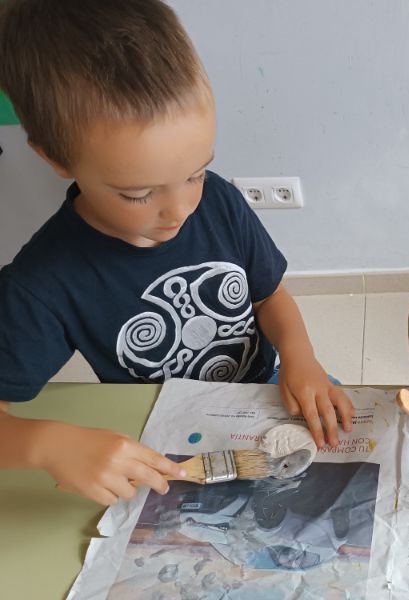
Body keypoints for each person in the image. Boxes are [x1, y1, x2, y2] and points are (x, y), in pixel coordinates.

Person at [0, 0, 352, 506]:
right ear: (53, 157)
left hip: (269, 385)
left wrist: (300, 354)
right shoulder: (42, 284)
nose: (181, 209)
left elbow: (268, 294)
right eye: (138, 194)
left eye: (195, 174)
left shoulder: (219, 200)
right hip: (162, 428)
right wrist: (47, 444)